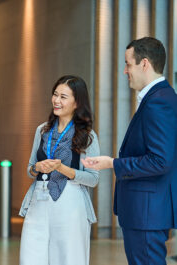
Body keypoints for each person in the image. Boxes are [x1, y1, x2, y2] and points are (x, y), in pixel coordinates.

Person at [82, 37, 177, 265]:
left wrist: (113, 163)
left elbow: (160, 160)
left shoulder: (158, 102)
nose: (125, 71)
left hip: (147, 213)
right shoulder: (161, 97)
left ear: (144, 64)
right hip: (148, 212)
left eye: (128, 64)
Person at [19, 75, 100, 265]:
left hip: (71, 205)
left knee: (68, 258)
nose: (56, 100)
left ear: (77, 102)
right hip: (38, 202)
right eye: (55, 95)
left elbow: (93, 179)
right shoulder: (42, 130)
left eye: (63, 97)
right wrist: (36, 168)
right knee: (31, 257)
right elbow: (29, 169)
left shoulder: (88, 136)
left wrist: (63, 169)